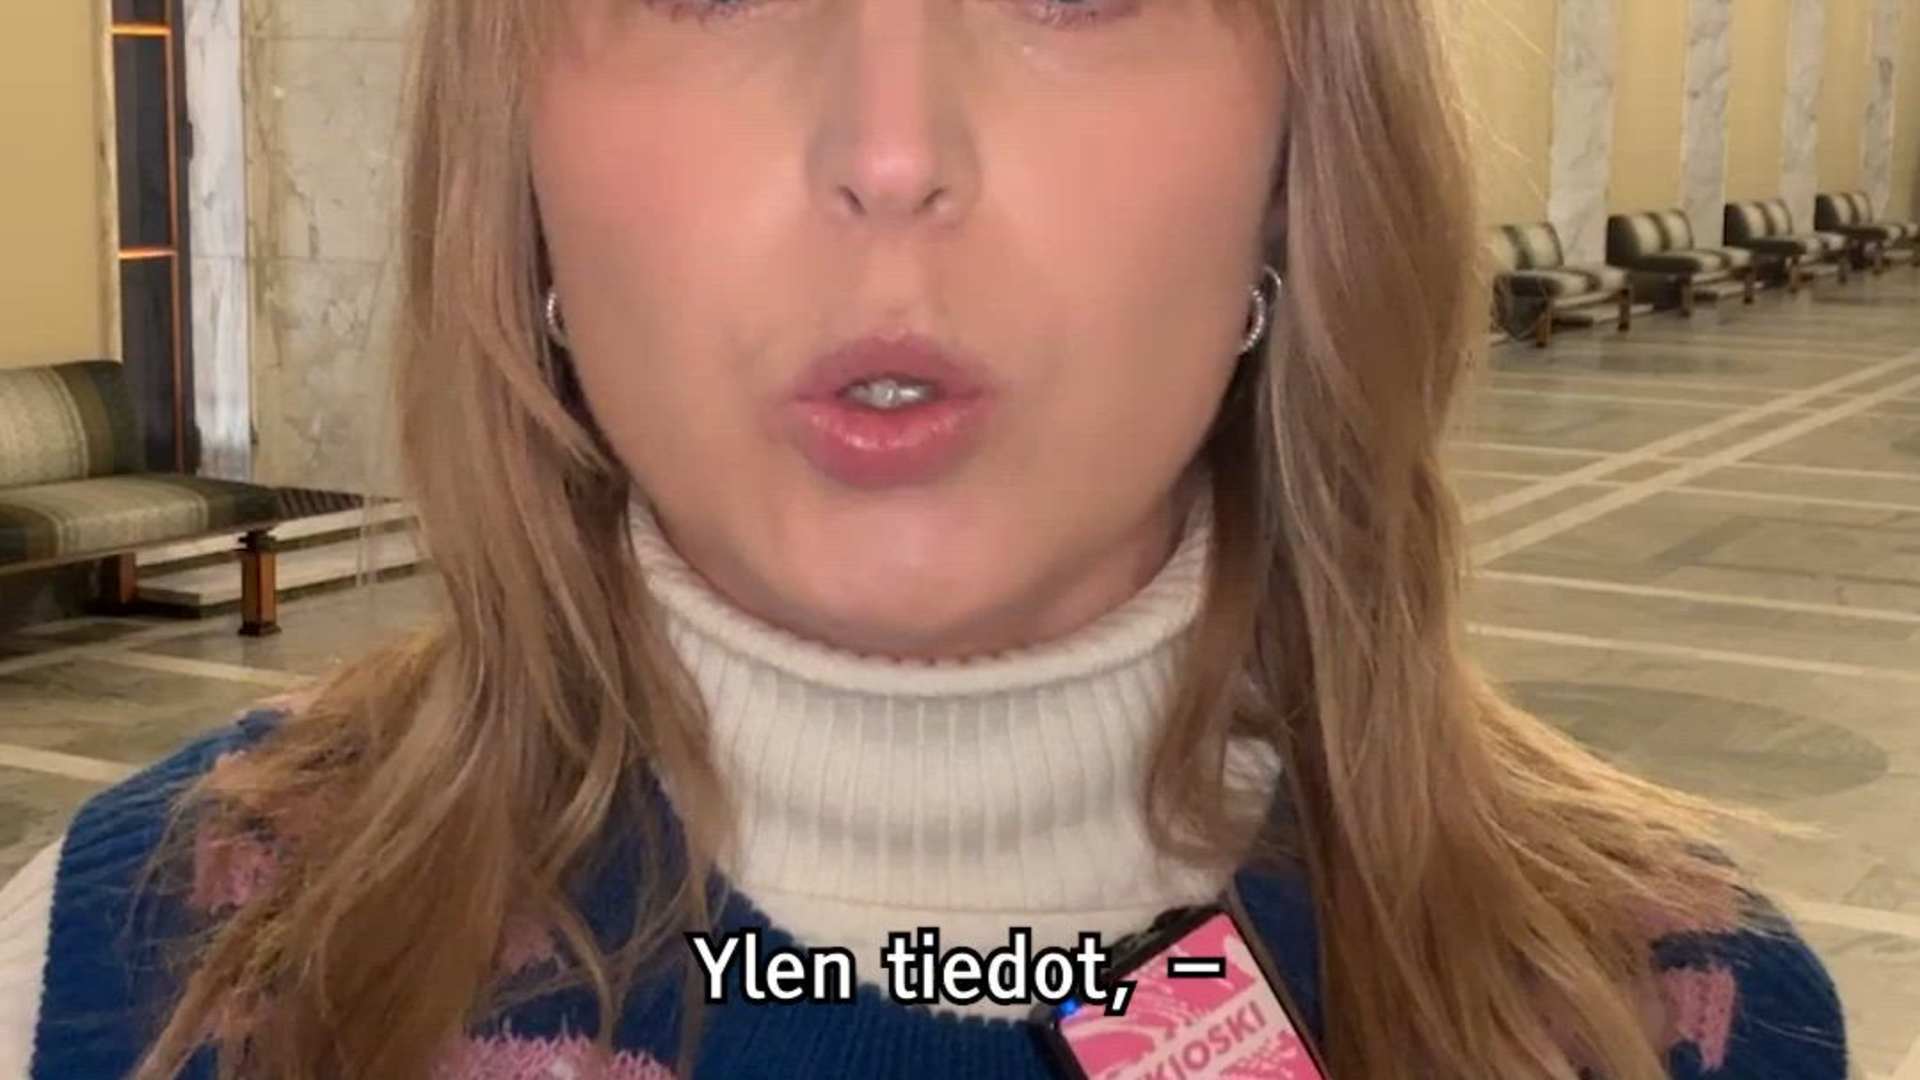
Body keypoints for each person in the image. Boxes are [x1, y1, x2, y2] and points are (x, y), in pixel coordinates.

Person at [0, 1, 1846, 1077]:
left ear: (1301, 161)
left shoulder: (1674, 1018)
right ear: (523, 174)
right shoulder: (124, 974)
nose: (889, 153)